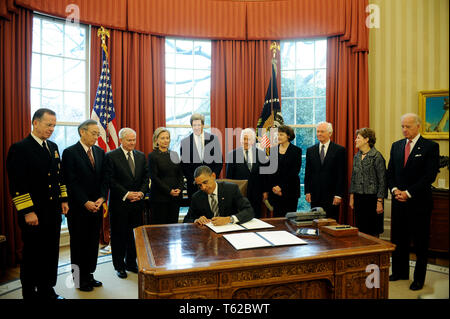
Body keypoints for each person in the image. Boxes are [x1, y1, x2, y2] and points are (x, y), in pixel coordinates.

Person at [6, 108, 69, 299]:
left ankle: (46, 288)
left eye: (54, 125)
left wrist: (64, 200)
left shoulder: (53, 147)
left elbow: (59, 177)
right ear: (35, 122)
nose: (52, 129)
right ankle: (30, 293)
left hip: (52, 212)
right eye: (48, 124)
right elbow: (17, 184)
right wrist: (27, 211)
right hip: (34, 213)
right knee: (33, 255)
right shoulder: (20, 148)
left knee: (50, 254)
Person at [387, 113, 439, 291]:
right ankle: (400, 272)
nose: (404, 130)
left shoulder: (430, 147)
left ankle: (418, 278)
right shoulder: (396, 146)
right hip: (398, 201)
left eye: (408, 126)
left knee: (420, 242)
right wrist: (395, 191)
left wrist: (408, 193)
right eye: (402, 126)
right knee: (399, 240)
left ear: (418, 126)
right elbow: (390, 173)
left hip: (419, 203)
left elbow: (429, 176)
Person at [62, 120, 107, 292]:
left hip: (96, 206)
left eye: (98, 134)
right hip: (78, 208)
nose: (97, 137)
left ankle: (89, 275)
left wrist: (102, 198)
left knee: (91, 243)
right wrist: (84, 201)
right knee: (79, 244)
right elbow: (70, 182)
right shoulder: (69, 152)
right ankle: (79, 280)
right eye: (94, 133)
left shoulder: (100, 152)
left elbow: (104, 178)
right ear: (82, 132)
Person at [104, 128, 149, 279]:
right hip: (120, 204)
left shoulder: (141, 156)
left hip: (137, 204)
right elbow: (110, 180)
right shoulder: (111, 156)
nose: (132, 143)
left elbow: (145, 177)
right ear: (121, 140)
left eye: (134, 140)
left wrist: (142, 193)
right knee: (119, 236)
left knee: (134, 236)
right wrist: (126, 194)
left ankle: (131, 263)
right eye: (129, 140)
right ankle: (119, 266)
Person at [183, 166, 254, 225]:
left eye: (205, 182)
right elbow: (186, 219)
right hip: (208, 235)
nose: (203, 187)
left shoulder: (231, 189)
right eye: (200, 185)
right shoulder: (197, 197)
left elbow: (249, 211)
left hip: (230, 231)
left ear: (213, 176)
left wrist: (229, 219)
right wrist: (196, 220)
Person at [349, 128, 387, 237]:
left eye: (358, 138)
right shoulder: (356, 156)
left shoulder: (377, 156)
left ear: (366, 140)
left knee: (372, 231)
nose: (355, 140)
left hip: (373, 199)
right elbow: (354, 178)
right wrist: (352, 197)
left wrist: (379, 201)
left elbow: (382, 180)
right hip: (359, 198)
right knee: (360, 230)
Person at [304, 121, 346, 221]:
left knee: (330, 223)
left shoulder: (339, 150)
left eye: (322, 131)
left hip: (332, 196)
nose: (319, 134)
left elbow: (342, 174)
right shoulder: (310, 150)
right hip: (315, 195)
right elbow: (308, 173)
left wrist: (338, 195)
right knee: (316, 223)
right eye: (318, 131)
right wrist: (307, 191)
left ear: (330, 133)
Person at [180, 113, 223, 203]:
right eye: (194, 125)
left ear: (203, 125)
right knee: (196, 212)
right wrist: (194, 181)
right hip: (194, 185)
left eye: (199, 125)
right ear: (191, 126)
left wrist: (213, 177)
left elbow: (219, 161)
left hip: (211, 183)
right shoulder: (185, 142)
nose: (197, 127)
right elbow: (184, 165)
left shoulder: (213, 139)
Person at [226, 128, 268, 217]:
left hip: (256, 192)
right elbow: (229, 177)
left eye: (248, 139)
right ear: (240, 140)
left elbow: (264, 176)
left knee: (256, 217)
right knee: (240, 218)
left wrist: (265, 191)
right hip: (239, 193)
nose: (246, 141)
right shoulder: (232, 155)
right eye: (244, 139)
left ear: (253, 141)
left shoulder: (261, 154)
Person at [148, 127, 184, 224]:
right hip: (159, 198)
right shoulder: (152, 156)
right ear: (156, 140)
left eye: (167, 138)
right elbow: (154, 177)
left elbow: (180, 175)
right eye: (162, 138)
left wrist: (180, 189)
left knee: (173, 227)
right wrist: (169, 191)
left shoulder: (175, 154)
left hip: (175, 198)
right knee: (160, 229)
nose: (165, 140)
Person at [264, 125, 302, 217]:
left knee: (290, 221)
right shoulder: (273, 150)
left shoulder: (296, 151)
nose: (278, 137)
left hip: (290, 191)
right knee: (278, 220)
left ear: (288, 136)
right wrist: (274, 187)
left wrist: (281, 188)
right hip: (275, 192)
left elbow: (294, 172)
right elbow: (270, 172)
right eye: (277, 135)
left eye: (281, 134)